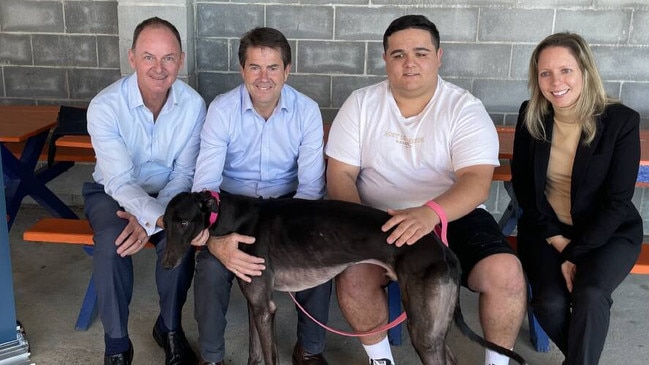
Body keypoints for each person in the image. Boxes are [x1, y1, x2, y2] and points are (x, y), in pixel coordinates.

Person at [325, 14, 527, 365]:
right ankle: (380, 359)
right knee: (354, 276)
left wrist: (428, 213)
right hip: (378, 219)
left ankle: (497, 363)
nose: (410, 63)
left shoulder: (464, 107)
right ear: (385, 59)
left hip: (451, 215)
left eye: (420, 52)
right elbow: (340, 174)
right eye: (398, 54)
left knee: (506, 274)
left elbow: (476, 183)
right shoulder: (361, 104)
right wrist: (361, 231)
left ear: (438, 56)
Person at [190, 27, 331, 365]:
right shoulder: (222, 110)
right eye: (255, 67)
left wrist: (298, 237)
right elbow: (205, 187)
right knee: (210, 267)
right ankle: (212, 357)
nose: (263, 77)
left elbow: (312, 188)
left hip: (286, 207)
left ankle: (309, 350)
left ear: (287, 70)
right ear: (242, 70)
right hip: (232, 208)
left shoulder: (307, 110)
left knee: (317, 257)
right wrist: (214, 239)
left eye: (273, 68)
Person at [511, 32, 643, 365]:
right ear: (536, 77)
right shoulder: (532, 115)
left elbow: (617, 202)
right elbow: (524, 189)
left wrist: (576, 253)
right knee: (548, 303)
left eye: (566, 70)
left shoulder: (621, 122)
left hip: (607, 233)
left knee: (591, 293)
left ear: (584, 70)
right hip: (546, 230)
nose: (556, 81)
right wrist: (559, 244)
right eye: (545, 73)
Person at [83, 17, 206, 365]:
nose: (159, 67)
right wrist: (151, 217)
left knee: (180, 236)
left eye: (168, 58)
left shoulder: (194, 105)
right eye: (149, 57)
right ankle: (117, 346)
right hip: (111, 192)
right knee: (111, 241)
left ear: (180, 60)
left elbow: (184, 174)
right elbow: (119, 180)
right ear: (132, 58)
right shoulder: (106, 106)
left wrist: (158, 219)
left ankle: (169, 329)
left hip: (170, 193)